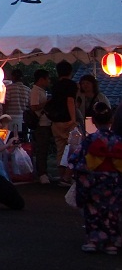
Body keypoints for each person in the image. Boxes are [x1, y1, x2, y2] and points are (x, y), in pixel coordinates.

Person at [70, 102, 122, 254]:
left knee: (93, 210)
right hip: (114, 180)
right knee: (112, 211)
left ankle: (93, 240)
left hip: (93, 179)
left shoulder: (90, 140)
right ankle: (111, 242)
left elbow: (77, 159)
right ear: (111, 120)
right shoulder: (118, 140)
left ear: (93, 121)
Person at [52, 61, 78, 187]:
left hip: (56, 121)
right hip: (68, 120)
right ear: (70, 71)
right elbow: (70, 100)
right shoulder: (71, 85)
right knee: (74, 148)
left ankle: (62, 176)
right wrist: (73, 118)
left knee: (60, 149)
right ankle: (68, 176)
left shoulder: (55, 85)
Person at [28, 69, 54, 184]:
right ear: (41, 79)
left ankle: (44, 172)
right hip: (41, 124)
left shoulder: (41, 90)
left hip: (45, 123)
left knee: (44, 149)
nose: (49, 81)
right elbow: (34, 107)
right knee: (42, 149)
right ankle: (42, 173)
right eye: (47, 78)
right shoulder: (35, 91)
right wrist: (47, 103)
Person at [3, 69, 30, 136]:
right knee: (22, 138)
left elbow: (6, 102)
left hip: (10, 118)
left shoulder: (8, 88)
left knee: (11, 138)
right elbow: (29, 105)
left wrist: (3, 114)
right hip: (23, 118)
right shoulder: (28, 89)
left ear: (13, 77)